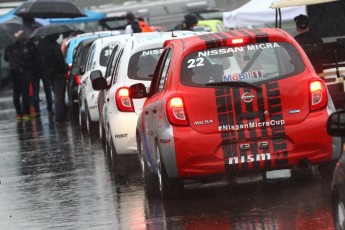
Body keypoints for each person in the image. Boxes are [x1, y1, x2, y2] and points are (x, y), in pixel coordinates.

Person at [4, 30, 34, 121]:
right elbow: (26, 58)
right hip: (22, 71)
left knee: (16, 93)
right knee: (25, 93)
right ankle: (25, 113)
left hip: (13, 71)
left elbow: (6, 58)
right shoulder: (21, 45)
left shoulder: (8, 47)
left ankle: (19, 113)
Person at [41, 34, 68, 122]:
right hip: (57, 73)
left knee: (56, 94)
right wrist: (63, 69)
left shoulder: (42, 46)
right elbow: (60, 60)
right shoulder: (55, 46)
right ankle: (59, 116)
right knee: (59, 95)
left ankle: (60, 113)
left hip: (48, 74)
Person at [30, 36, 54, 117]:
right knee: (47, 90)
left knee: (36, 92)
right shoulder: (43, 44)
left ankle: (37, 110)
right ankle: (50, 108)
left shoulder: (30, 45)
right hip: (44, 70)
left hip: (34, 71)